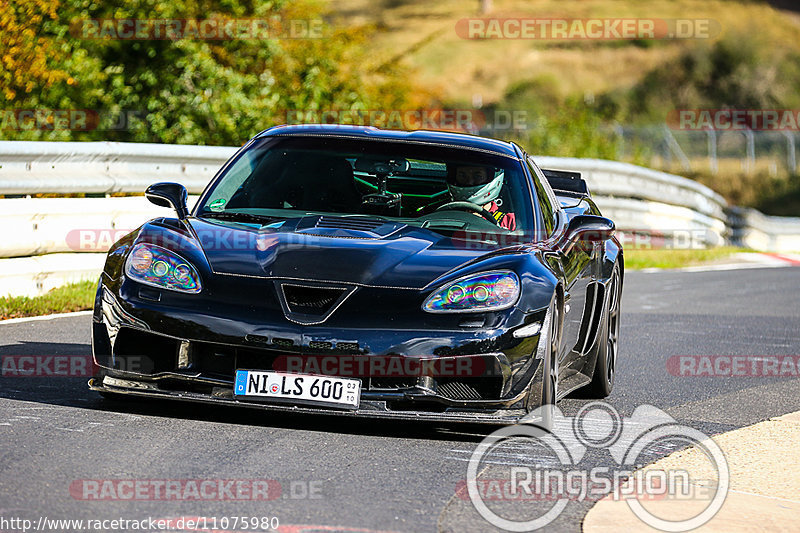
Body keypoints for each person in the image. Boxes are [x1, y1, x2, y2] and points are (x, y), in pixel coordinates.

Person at [446, 165, 516, 230]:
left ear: (489, 177)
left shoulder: (507, 220)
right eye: (462, 176)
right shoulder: (445, 214)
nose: (470, 182)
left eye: (478, 176)